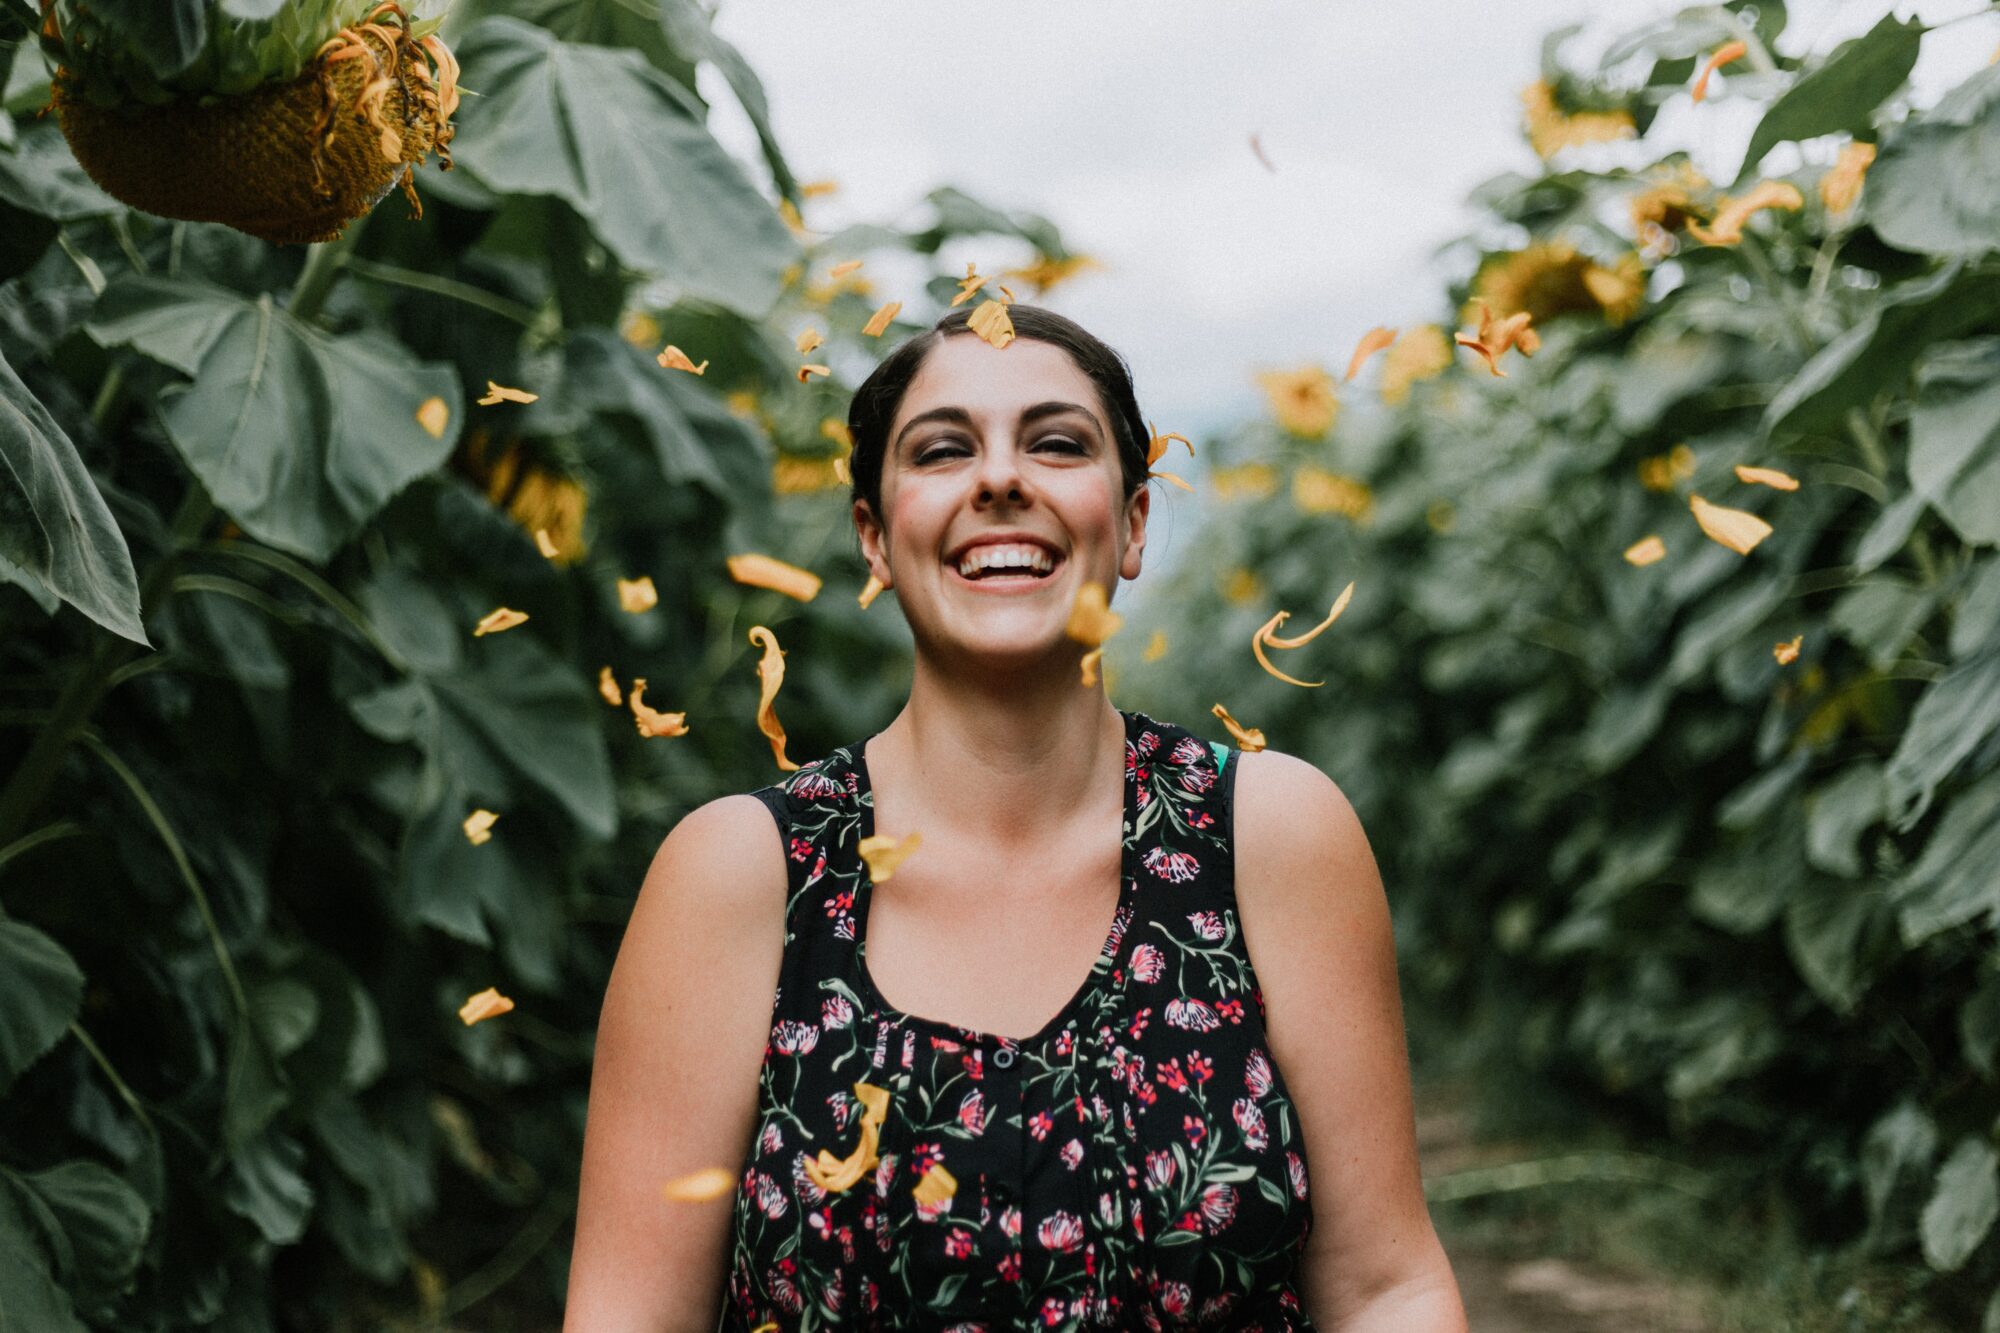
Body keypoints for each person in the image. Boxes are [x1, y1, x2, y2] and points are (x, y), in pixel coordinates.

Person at [565, 304, 1467, 1331]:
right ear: (873, 535)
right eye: (943, 450)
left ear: (1129, 525)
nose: (1000, 479)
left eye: (1055, 443)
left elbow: (1386, 1288)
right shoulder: (742, 874)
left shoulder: (1268, 835)